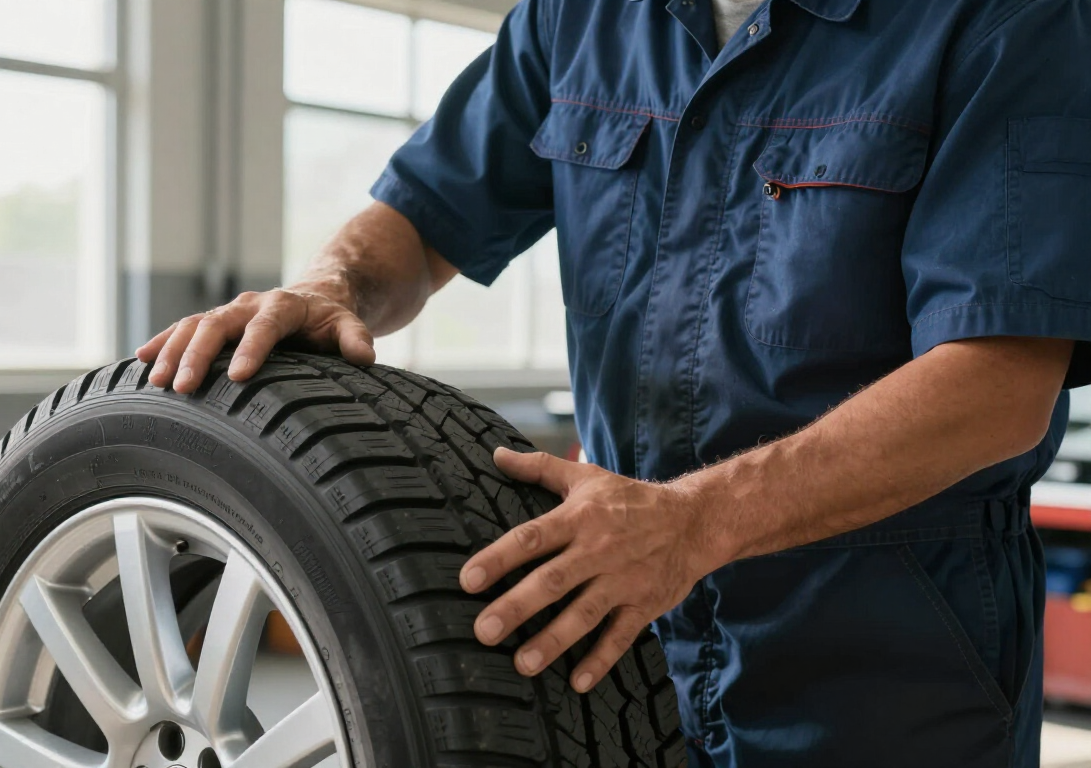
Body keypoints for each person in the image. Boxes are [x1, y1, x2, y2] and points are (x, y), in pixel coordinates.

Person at [137, 0, 1091, 764]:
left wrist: (691, 524)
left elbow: (998, 386)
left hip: (890, 668)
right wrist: (329, 286)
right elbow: (424, 218)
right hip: (621, 644)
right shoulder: (578, 18)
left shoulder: (1007, 18)